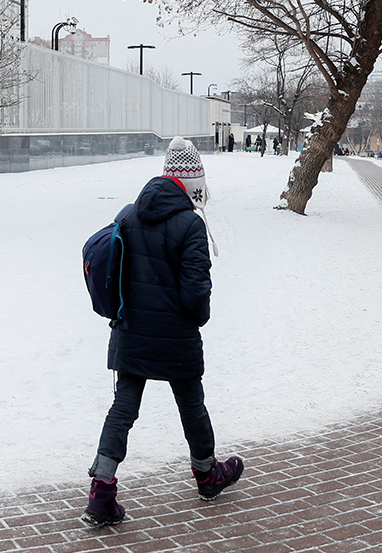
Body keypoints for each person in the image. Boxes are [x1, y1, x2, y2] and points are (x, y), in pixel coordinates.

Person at [82, 136, 243, 527]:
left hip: (131, 332)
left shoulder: (129, 214)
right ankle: (207, 476)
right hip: (175, 336)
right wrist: (199, 317)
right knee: (191, 405)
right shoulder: (191, 224)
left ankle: (101, 492)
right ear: (193, 183)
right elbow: (195, 294)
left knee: (123, 408)